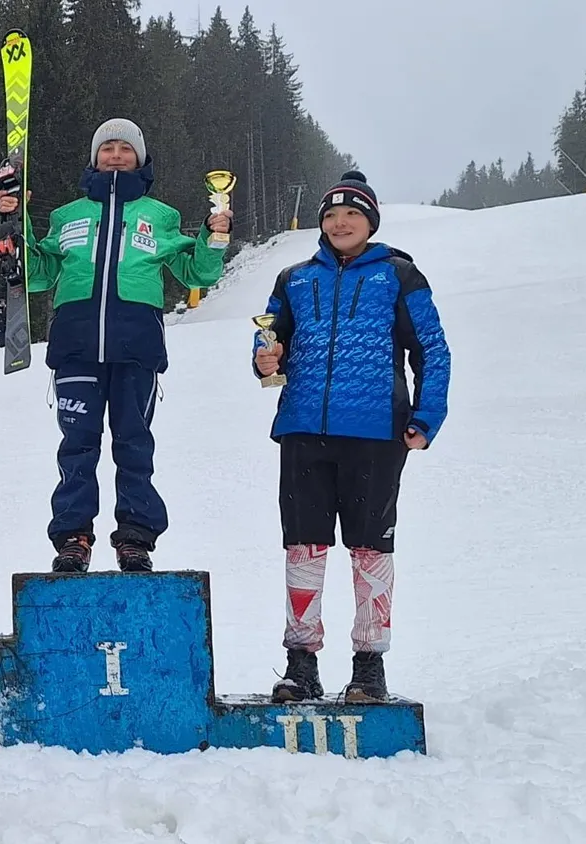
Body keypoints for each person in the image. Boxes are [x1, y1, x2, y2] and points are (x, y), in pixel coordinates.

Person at [0, 118, 231, 573]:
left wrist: (213, 236)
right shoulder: (68, 215)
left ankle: (136, 538)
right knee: (77, 447)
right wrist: (16, 225)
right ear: (94, 157)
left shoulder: (160, 216)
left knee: (134, 446)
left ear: (140, 158)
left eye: (126, 148)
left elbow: (197, 273)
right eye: (108, 148)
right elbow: (39, 275)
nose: (116, 155)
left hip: (136, 348)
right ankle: (73, 536)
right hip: (76, 346)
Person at [253, 170, 450, 703]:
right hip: (303, 430)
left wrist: (426, 417)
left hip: (375, 433)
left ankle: (369, 667)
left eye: (352, 214)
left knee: (370, 549)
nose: (341, 223)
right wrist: (265, 358)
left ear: (370, 222)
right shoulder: (294, 278)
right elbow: (270, 338)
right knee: (303, 548)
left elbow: (432, 349)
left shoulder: (399, 275)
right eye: (332, 215)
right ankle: (301, 664)